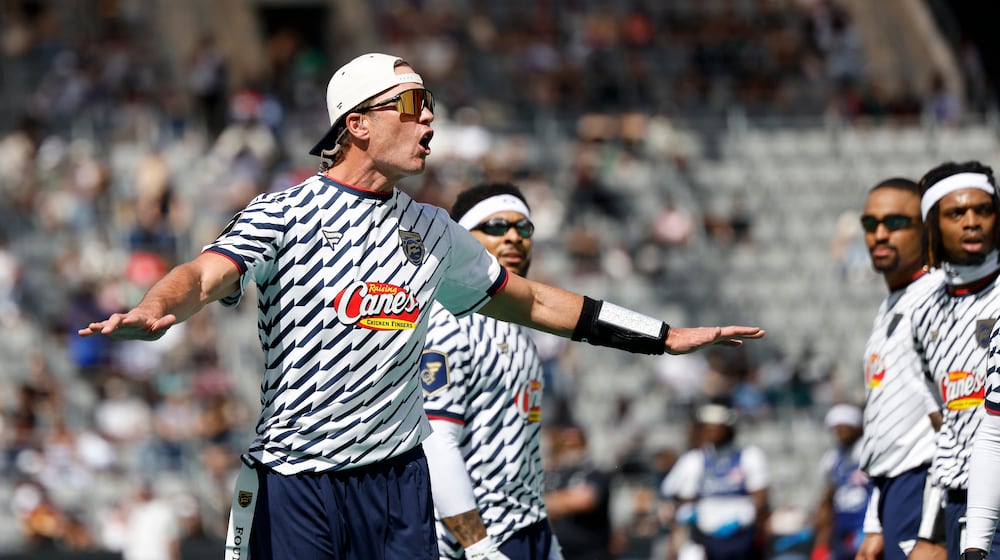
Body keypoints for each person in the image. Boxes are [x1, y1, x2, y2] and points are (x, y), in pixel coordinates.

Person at [77, 52, 764, 560]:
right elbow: (201, 274)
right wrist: (156, 307)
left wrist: (663, 336)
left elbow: (535, 301)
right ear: (358, 125)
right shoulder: (284, 213)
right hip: (297, 485)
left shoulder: (434, 230)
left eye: (429, 103)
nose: (429, 117)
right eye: (410, 105)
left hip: (399, 487)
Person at [419, 181, 562, 559]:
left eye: (524, 228)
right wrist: (478, 547)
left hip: (528, 528)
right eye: (497, 226)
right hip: (472, 539)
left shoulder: (519, 323)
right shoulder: (449, 319)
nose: (514, 237)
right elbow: (437, 442)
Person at [906, 161, 1000, 560]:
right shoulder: (922, 310)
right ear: (932, 225)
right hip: (961, 503)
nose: (972, 222)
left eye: (983, 210)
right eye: (956, 213)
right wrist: (932, 529)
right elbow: (940, 418)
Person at [853, 178, 943, 560]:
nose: (880, 234)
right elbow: (888, 425)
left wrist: (935, 532)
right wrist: (876, 521)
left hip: (927, 486)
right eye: (870, 224)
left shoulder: (939, 299)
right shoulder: (894, 301)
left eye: (895, 221)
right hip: (897, 491)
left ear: (925, 228)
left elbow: (958, 423)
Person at [659, 398, 770, 560]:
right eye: (707, 426)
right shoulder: (694, 461)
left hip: (742, 537)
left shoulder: (749, 456)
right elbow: (686, 502)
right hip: (706, 539)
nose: (710, 430)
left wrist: (744, 520)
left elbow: (760, 500)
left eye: (715, 425)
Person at [811, 403, 873, 560]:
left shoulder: (867, 452)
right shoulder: (832, 458)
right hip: (842, 525)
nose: (840, 432)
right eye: (837, 428)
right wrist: (821, 544)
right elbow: (828, 499)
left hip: (865, 525)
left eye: (844, 426)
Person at [543, 424, 614, 560]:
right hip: (558, 552)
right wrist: (565, 500)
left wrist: (554, 502)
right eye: (566, 444)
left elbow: (585, 500)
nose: (571, 450)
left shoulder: (594, 471)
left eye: (575, 445)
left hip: (591, 552)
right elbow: (539, 506)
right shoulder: (553, 474)